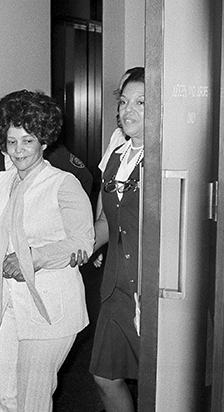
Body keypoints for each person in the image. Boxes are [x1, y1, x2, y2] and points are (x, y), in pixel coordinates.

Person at [0, 89, 94, 411]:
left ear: (43, 141)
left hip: (50, 308)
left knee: (32, 397)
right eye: (12, 142)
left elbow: (82, 242)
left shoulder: (62, 183)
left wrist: (31, 258)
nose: (18, 150)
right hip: (5, 304)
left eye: (27, 141)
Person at [87, 67, 145, 412]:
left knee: (160, 381)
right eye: (124, 102)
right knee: (105, 376)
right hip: (115, 286)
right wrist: (69, 251)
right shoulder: (117, 159)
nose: (128, 110)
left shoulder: (167, 159)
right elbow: (107, 220)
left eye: (141, 102)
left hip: (151, 288)